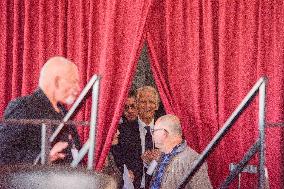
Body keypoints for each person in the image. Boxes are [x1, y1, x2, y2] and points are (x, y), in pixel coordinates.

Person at [0, 56, 81, 165]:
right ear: (57, 81)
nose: (78, 88)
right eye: (73, 82)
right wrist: (42, 157)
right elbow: (3, 152)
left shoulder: (64, 112)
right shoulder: (24, 106)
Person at [150, 114, 213, 189]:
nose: (153, 135)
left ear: (164, 133)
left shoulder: (191, 159)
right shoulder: (165, 155)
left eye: (154, 131)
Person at [117, 86, 161, 189]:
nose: (147, 106)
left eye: (151, 102)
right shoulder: (123, 131)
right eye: (143, 102)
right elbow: (119, 160)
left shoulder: (165, 129)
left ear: (157, 106)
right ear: (137, 104)